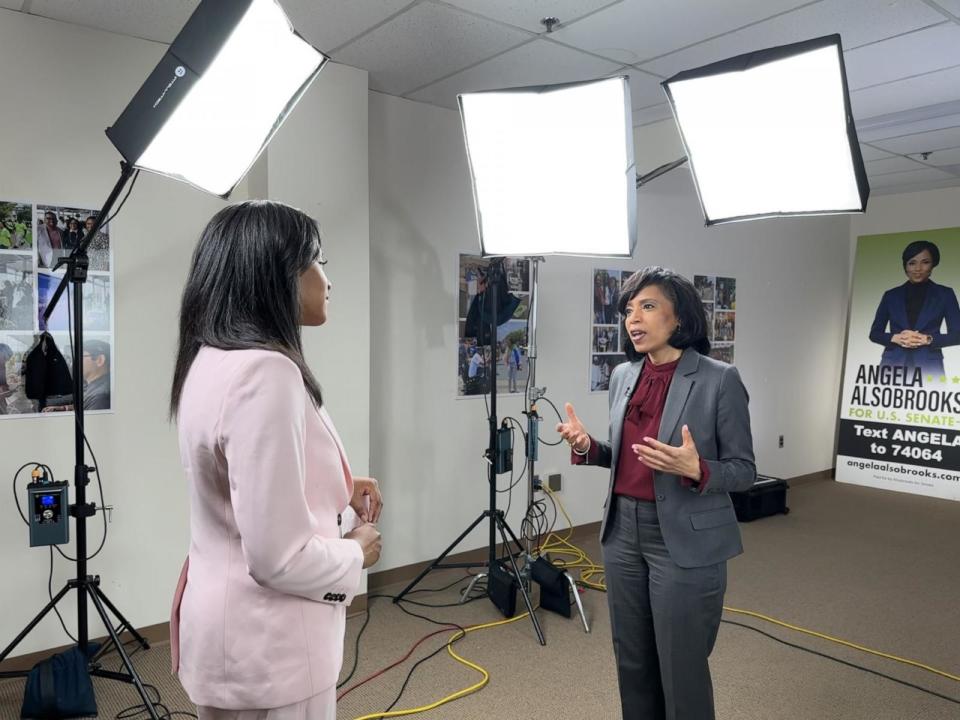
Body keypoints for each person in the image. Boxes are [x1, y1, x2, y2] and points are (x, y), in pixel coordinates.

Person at [168, 201, 383, 720]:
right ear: (276, 275)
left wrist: (335, 484)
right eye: (317, 262)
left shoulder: (209, 358)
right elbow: (278, 558)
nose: (327, 280)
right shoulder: (268, 372)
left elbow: (233, 483)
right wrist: (356, 551)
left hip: (227, 636)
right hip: (271, 649)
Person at [557, 266, 755, 720]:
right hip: (623, 532)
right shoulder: (624, 376)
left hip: (683, 538)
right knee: (633, 660)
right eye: (629, 310)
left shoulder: (718, 379)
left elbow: (744, 471)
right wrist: (590, 448)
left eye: (648, 307)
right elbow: (631, 456)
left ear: (679, 318)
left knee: (681, 666)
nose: (633, 319)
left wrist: (698, 468)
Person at [869, 240, 960, 377]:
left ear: (933, 264)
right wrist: (895, 338)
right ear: (905, 266)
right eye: (912, 263)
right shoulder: (891, 295)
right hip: (892, 365)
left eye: (925, 262)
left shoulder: (945, 294)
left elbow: (957, 335)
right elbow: (874, 333)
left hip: (929, 367)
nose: (918, 268)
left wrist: (927, 339)